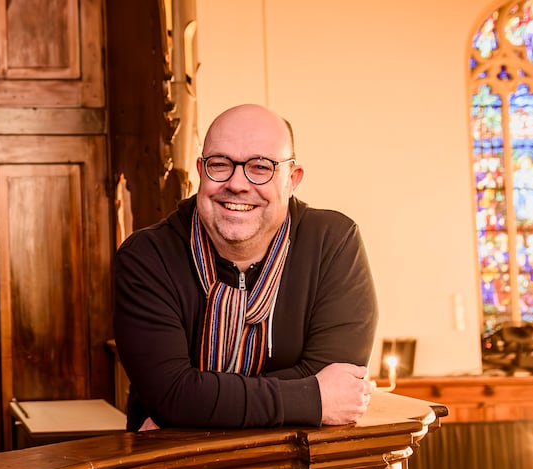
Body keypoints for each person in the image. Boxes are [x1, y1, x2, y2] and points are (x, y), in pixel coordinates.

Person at [112, 103, 379, 431]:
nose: (237, 184)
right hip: (173, 460)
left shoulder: (333, 244)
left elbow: (339, 382)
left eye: (260, 167)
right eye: (220, 164)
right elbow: (171, 396)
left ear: (292, 180)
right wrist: (310, 398)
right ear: (201, 171)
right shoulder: (146, 257)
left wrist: (194, 405)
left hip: (299, 459)